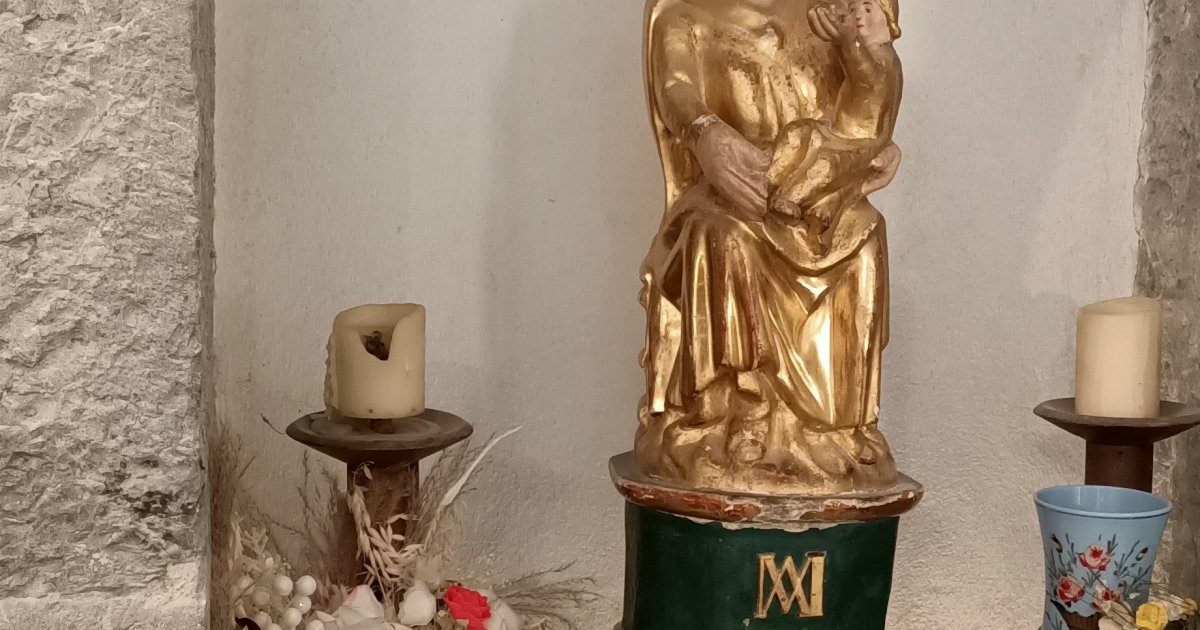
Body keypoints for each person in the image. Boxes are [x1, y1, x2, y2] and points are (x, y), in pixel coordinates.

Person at [635, 0, 905, 494]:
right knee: (724, 235)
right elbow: (675, 89)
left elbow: (862, 104)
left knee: (867, 234)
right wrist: (705, 133)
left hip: (812, 191)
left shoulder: (825, 13)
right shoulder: (684, 14)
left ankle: (840, 427)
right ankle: (742, 412)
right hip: (731, 189)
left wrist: (870, 148)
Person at [768, 0, 903, 254]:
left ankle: (791, 198)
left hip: (859, 141)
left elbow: (867, 76)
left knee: (827, 163)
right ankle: (767, 176)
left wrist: (849, 42)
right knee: (799, 134)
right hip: (835, 130)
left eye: (868, 9)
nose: (858, 15)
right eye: (853, 10)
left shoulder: (885, 59)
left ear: (889, 22)